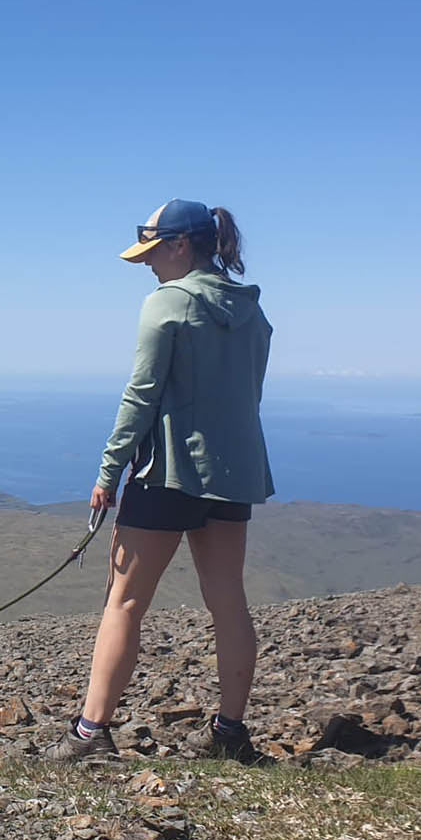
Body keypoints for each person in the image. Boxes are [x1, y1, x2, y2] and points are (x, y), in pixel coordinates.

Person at [45, 198, 273, 763]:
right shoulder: (251, 309)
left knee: (123, 603)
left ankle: (90, 734)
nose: (146, 264)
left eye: (152, 252)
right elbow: (250, 393)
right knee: (229, 602)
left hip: (166, 473)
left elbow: (141, 394)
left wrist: (108, 471)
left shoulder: (167, 304)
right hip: (233, 473)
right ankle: (230, 733)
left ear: (180, 245)